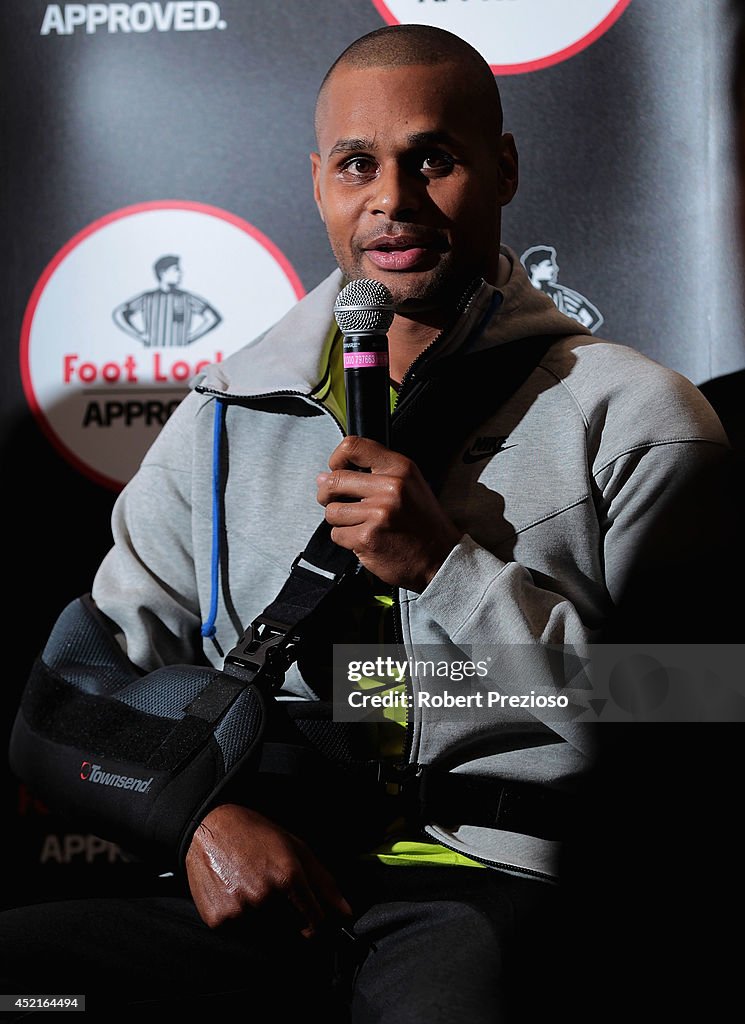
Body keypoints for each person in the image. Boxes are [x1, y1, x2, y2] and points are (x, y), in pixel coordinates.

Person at [1, 23, 730, 1022]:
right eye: (358, 164)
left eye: (433, 157)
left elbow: (699, 703)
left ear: (504, 166)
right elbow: (77, 693)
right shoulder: (222, 416)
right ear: (319, 183)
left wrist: (447, 568)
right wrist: (194, 825)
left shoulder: (637, 416)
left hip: (502, 887)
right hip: (274, 882)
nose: (393, 198)